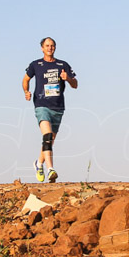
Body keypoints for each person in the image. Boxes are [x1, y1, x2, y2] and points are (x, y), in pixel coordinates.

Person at [23, 37, 77, 183]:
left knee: (49, 141)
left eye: (52, 46)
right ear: (42, 48)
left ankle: (38, 163)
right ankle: (50, 169)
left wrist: (68, 79)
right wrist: (26, 91)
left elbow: (75, 84)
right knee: (47, 136)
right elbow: (26, 79)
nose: (50, 48)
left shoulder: (62, 64)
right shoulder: (36, 64)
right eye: (47, 46)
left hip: (58, 107)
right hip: (41, 104)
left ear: (55, 47)